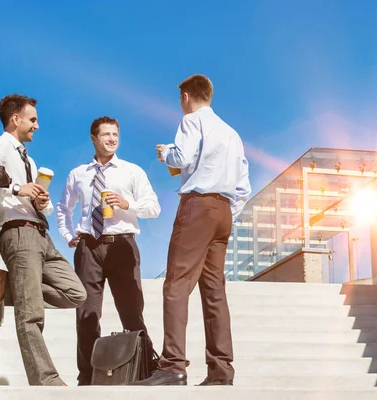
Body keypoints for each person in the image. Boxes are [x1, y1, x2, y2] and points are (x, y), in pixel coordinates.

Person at [131, 74, 251, 386]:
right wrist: (223, 212)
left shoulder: (191, 122)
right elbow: (243, 187)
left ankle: (173, 366)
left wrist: (165, 153)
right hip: (223, 211)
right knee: (214, 293)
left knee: (176, 285)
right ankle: (221, 371)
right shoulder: (232, 134)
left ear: (186, 97)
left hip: (197, 207)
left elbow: (181, 157)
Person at [0, 94, 87, 386]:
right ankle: (46, 379)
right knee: (31, 315)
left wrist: (43, 202)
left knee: (75, 293)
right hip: (18, 232)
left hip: (42, 235)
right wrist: (19, 188)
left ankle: (7, 287)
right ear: (16, 119)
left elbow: (42, 202)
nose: (37, 126)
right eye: (33, 119)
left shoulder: (30, 159)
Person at [56, 116, 161, 386]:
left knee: (132, 312)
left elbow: (153, 207)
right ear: (94, 138)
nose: (112, 139)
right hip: (88, 247)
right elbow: (62, 209)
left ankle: (146, 370)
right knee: (87, 315)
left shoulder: (131, 171)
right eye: (106, 134)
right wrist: (69, 236)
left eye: (115, 134)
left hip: (123, 245)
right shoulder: (78, 174)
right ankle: (89, 376)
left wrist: (127, 203)